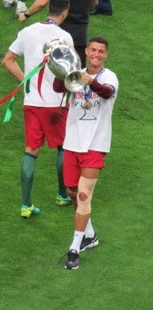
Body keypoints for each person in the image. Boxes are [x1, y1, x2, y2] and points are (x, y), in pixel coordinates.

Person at [2, 0, 74, 217]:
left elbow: (7, 60)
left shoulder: (27, 32)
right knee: (62, 147)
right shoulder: (65, 37)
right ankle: (62, 195)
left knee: (31, 150)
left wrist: (26, 80)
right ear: (65, 12)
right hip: (56, 103)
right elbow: (70, 71)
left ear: (47, 8)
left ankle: (25, 204)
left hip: (32, 102)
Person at [54, 37, 119, 269]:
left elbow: (105, 92)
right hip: (72, 143)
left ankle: (74, 250)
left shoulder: (109, 77)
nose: (96, 54)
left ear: (106, 55)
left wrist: (90, 81)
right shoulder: (76, 72)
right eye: (93, 50)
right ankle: (89, 236)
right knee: (72, 192)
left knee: (83, 196)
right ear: (86, 51)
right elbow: (57, 88)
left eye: (101, 51)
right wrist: (58, 67)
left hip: (95, 145)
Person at [18, 0, 95, 67]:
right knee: (77, 72)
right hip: (80, 38)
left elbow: (42, 3)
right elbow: (95, 2)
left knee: (51, 72)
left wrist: (26, 14)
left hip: (58, 39)